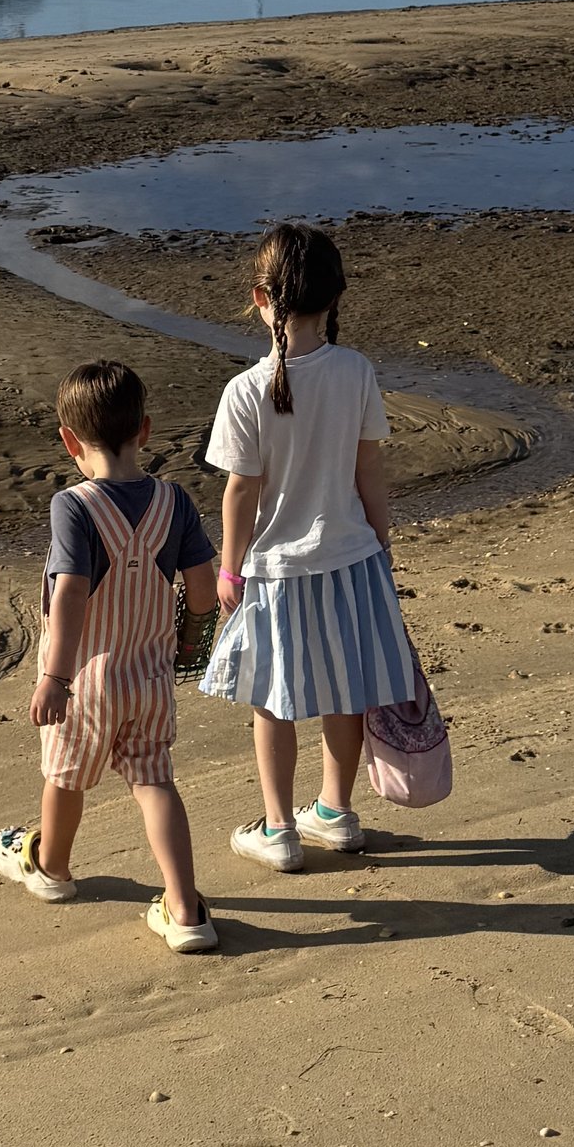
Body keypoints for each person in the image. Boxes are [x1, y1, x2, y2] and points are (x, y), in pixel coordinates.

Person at [201, 220, 419, 870]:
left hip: (275, 568)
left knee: (275, 699)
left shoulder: (246, 390)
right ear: (336, 298)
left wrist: (228, 569)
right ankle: (336, 811)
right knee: (344, 691)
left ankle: (279, 826)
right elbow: (369, 471)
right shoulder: (355, 370)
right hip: (351, 557)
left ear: (260, 296)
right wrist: (381, 544)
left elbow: (241, 492)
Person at [0, 357, 220, 953]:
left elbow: (68, 593)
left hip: (88, 679)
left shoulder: (74, 505)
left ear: (69, 441)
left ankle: (52, 868)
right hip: (150, 676)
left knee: (64, 777)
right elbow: (200, 586)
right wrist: (191, 643)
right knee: (155, 782)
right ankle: (184, 907)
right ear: (144, 430)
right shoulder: (175, 501)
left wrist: (55, 678)